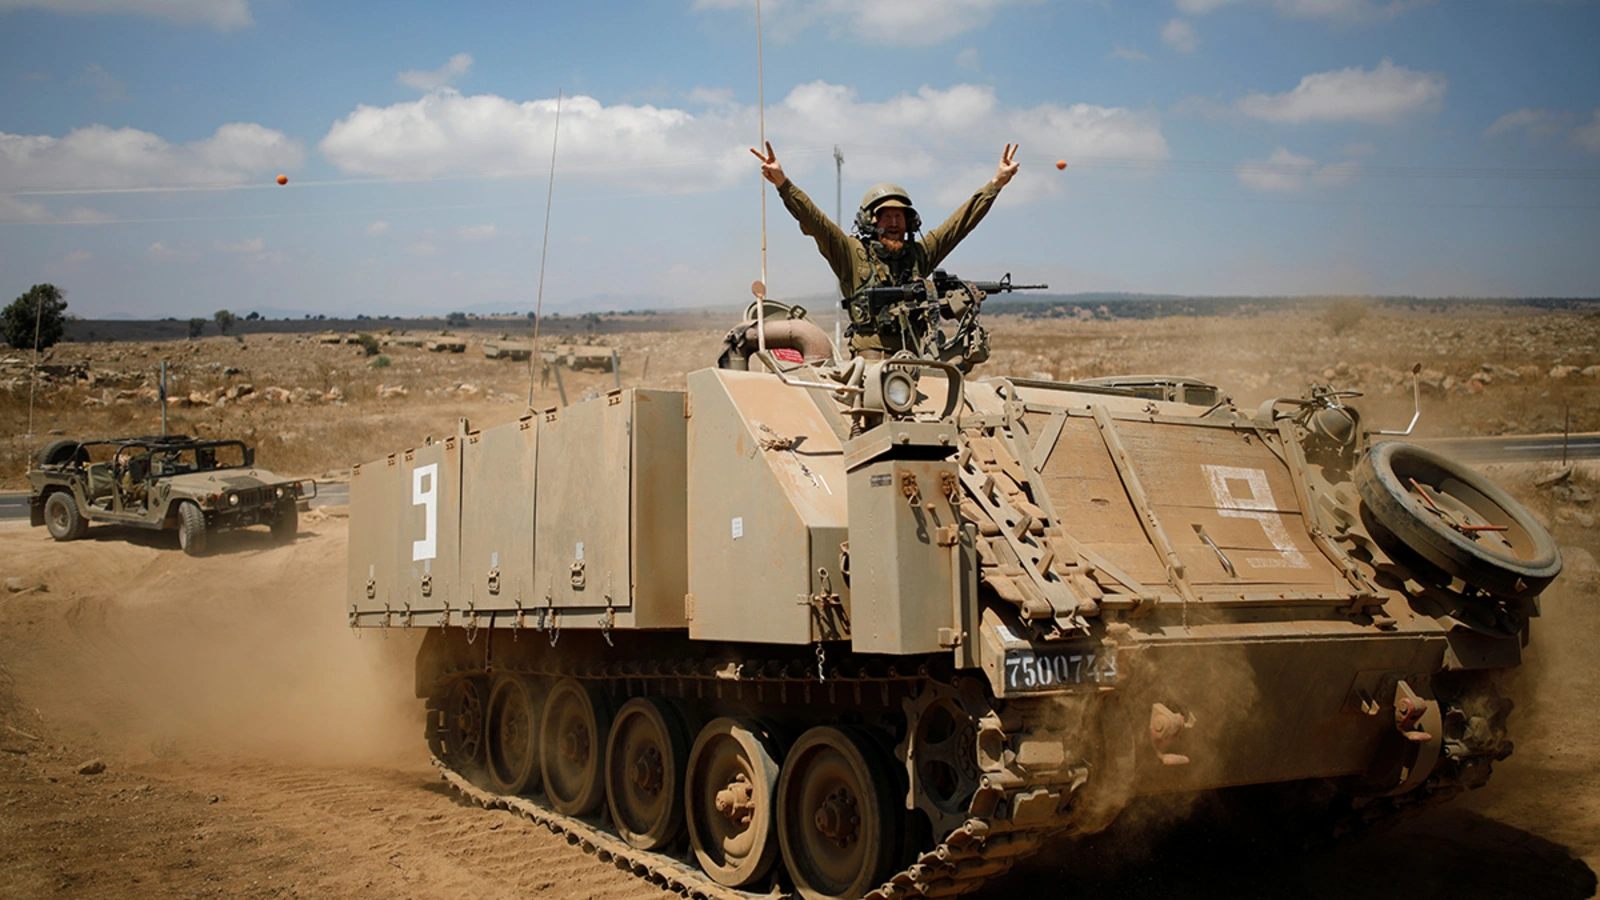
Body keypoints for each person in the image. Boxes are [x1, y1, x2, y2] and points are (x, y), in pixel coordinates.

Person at [751, 141, 1020, 356]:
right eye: (886, 216)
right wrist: (784, 185)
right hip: (869, 361)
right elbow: (815, 221)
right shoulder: (850, 254)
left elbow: (959, 225)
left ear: (909, 221)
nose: (894, 223)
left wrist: (995, 185)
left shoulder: (919, 254)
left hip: (914, 358)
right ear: (872, 221)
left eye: (900, 216)